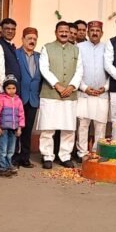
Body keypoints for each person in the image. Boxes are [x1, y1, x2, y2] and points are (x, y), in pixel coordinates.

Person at [36, 22, 83, 169]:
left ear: (70, 33)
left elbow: (80, 70)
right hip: (50, 93)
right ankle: (47, 156)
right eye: (61, 31)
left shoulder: (76, 50)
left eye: (66, 31)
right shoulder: (47, 48)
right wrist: (57, 85)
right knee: (48, 127)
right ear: (55, 32)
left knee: (68, 128)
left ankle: (65, 156)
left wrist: (71, 86)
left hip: (70, 94)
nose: (63, 34)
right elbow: (44, 68)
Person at [76, 21, 109, 159]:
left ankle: (97, 152)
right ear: (88, 32)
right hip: (84, 93)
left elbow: (111, 69)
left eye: (97, 30)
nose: (95, 33)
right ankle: (82, 153)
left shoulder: (107, 48)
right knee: (83, 125)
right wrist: (84, 87)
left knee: (100, 125)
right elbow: (76, 70)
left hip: (102, 94)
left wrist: (106, 87)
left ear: (102, 33)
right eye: (92, 30)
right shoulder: (79, 47)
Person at [14, 28, 41, 168]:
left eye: (34, 39)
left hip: (33, 98)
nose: (32, 41)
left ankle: (25, 158)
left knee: (28, 129)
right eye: (29, 38)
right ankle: (13, 157)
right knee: (15, 128)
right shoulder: (15, 54)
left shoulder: (40, 57)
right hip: (18, 98)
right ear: (23, 39)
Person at [0, 75, 24, 177]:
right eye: (8, 88)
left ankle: (9, 164)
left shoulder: (18, 100)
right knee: (3, 149)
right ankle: (2, 167)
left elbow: (21, 115)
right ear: (5, 88)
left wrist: (19, 128)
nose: (11, 91)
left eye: (13, 88)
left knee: (11, 150)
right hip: (3, 129)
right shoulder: (1, 99)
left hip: (14, 129)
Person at [0, 18, 20, 93]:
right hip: (6, 92)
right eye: (7, 29)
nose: (10, 31)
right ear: (2, 30)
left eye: (13, 29)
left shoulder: (12, 45)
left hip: (13, 92)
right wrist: (4, 92)